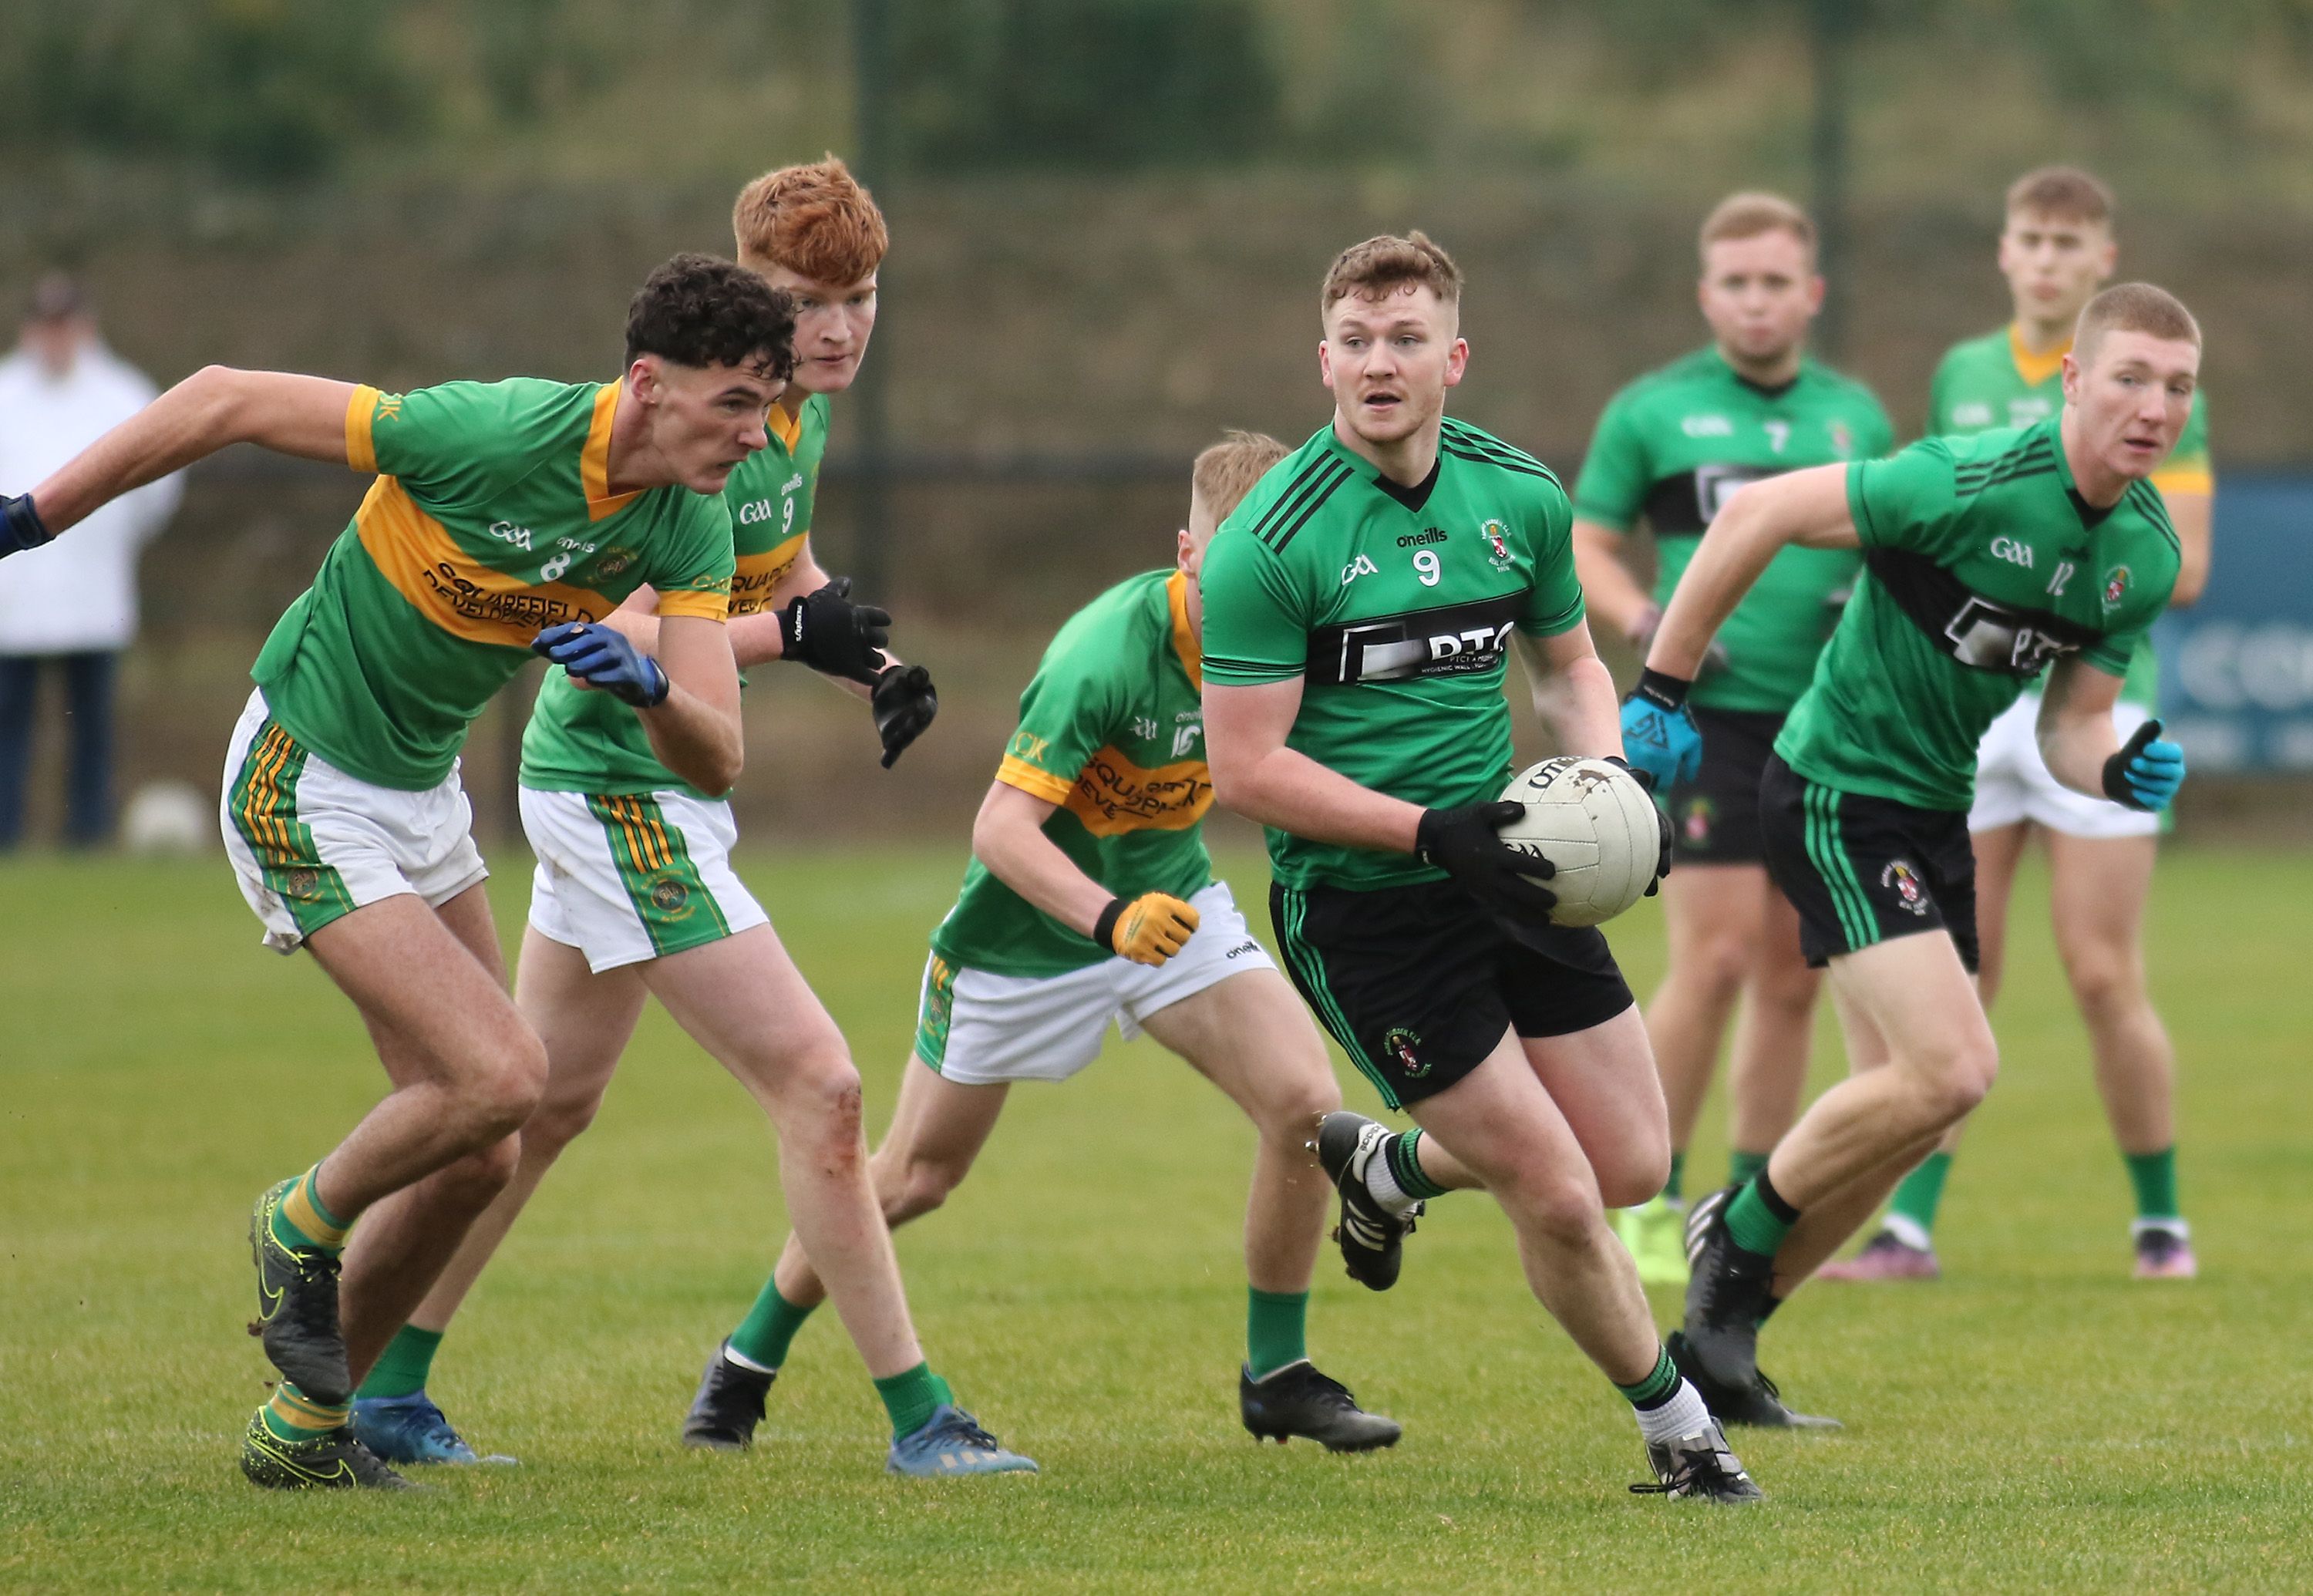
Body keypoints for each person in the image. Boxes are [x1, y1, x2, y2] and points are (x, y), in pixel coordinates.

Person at [0, 253, 796, 1488]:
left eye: (769, 404)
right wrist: (29, 520)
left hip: (422, 797)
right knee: (505, 1070)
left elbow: (719, 754)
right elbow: (221, 397)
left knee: (482, 1142)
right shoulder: (485, 431)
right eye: (737, 402)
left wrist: (649, 687)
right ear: (648, 382)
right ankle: (297, 1219)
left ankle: (302, 1434)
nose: (759, 434)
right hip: (302, 770)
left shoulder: (686, 521)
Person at [345, 161, 1029, 1478]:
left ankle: (384, 1386)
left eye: (861, 297)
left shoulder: (796, 422)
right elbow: (607, 624)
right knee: (824, 1088)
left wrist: (862, 660)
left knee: (539, 1113)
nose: (834, 328)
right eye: (804, 300)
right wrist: (790, 635)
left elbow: (777, 578)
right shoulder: (692, 423)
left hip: (642, 784)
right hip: (621, 785)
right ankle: (922, 1418)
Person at [687, 429, 1400, 1456]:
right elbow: (999, 832)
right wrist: (1107, 919)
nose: (1263, 586)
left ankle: (1278, 1373)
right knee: (916, 1177)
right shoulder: (1102, 654)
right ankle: (746, 1360)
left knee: (1302, 1102)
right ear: (1190, 554)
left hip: (1175, 904)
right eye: (1237, 562)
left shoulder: (1295, 640)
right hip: (1024, 936)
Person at [1198, 231, 1759, 1503]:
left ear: (1454, 357)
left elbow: (1566, 670)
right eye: (1355, 342)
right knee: (1558, 1193)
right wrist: (1419, 830)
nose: (1378, 364)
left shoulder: (1519, 497)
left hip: (1514, 871)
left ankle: (1388, 1167)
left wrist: (1607, 787)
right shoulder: (1270, 542)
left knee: (1626, 1166)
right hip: (1366, 908)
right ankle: (1684, 1439)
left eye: (1404, 341)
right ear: (1323, 359)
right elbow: (1246, 768)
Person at [1621, 282, 2200, 1425]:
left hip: (1933, 811)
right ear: (2073, 380)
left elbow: (2067, 725)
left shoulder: (2140, 548)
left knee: (1911, 1110)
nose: (2155, 404)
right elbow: (1755, 516)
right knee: (1955, 1069)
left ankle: (1720, 1348)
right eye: (2130, 375)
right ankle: (1728, 1232)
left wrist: (2115, 766)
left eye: (2179, 385)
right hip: (1836, 788)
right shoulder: (1965, 479)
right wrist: (1662, 689)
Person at [1826, 167, 2210, 1283]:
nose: (2045, 260)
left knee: (2102, 972)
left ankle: (2161, 1224)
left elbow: (2180, 564)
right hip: (1976, 708)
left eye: (2067, 244)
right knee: (1960, 965)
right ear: (2004, 252)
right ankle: (1907, 1231)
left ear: (2103, 258)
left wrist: (2041, 578)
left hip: (2093, 702)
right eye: (2030, 241)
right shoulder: (1963, 370)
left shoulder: (2158, 376)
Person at [1571, 194, 1894, 1287]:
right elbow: (1588, 541)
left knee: (1792, 975)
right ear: (1709, 295)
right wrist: (1638, 619)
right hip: (1704, 720)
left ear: (1811, 293)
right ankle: (1649, 1190)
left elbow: (1892, 547)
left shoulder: (1855, 417)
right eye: (1737, 283)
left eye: (1776, 282)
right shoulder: (1654, 412)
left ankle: (1743, 1202)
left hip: (1821, 726)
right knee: (1708, 960)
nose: (1757, 300)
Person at [0, 273, 183, 847]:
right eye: (45, 326)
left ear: (84, 328)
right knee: (9, 727)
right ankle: (7, 832)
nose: (55, 339)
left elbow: (159, 483)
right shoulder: (5, 393)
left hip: (94, 591)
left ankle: (88, 834)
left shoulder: (123, 394)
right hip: (13, 595)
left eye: (64, 326)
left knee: (92, 728)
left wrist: (113, 540)